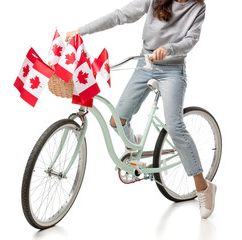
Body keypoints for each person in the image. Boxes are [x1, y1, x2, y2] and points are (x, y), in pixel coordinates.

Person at [66, 0, 216, 219]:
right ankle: (133, 144)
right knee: (117, 120)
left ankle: (203, 187)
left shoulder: (198, 7)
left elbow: (191, 40)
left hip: (172, 70)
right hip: (144, 63)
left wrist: (169, 49)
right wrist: (81, 31)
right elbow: (120, 15)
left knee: (174, 126)